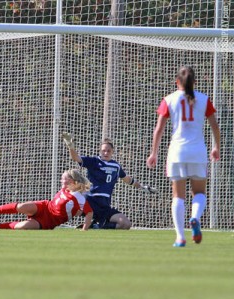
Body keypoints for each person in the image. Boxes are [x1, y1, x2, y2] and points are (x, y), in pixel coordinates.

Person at [147, 66, 220, 247]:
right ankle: (194, 217)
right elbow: (215, 126)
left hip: (177, 152)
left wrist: (154, 153)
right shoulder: (204, 99)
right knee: (200, 192)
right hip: (197, 152)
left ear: (177, 82)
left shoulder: (169, 99)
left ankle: (180, 237)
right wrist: (216, 147)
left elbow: (159, 129)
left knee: (178, 196)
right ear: (195, 82)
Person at [62, 133, 157, 230]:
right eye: (104, 151)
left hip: (105, 205)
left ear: (112, 152)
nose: (106, 153)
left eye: (108, 151)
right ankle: (51, 218)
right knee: (70, 205)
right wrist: (70, 145)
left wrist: (142, 187)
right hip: (91, 201)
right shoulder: (94, 161)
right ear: (100, 151)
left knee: (126, 224)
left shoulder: (116, 166)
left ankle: (96, 226)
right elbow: (76, 158)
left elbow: (127, 179)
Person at [0, 169, 93, 230]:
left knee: (22, 227)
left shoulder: (78, 196)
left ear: (71, 181)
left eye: (63, 179)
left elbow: (89, 212)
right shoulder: (66, 189)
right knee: (21, 207)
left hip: (49, 222)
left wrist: (84, 229)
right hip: (44, 207)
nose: (61, 181)